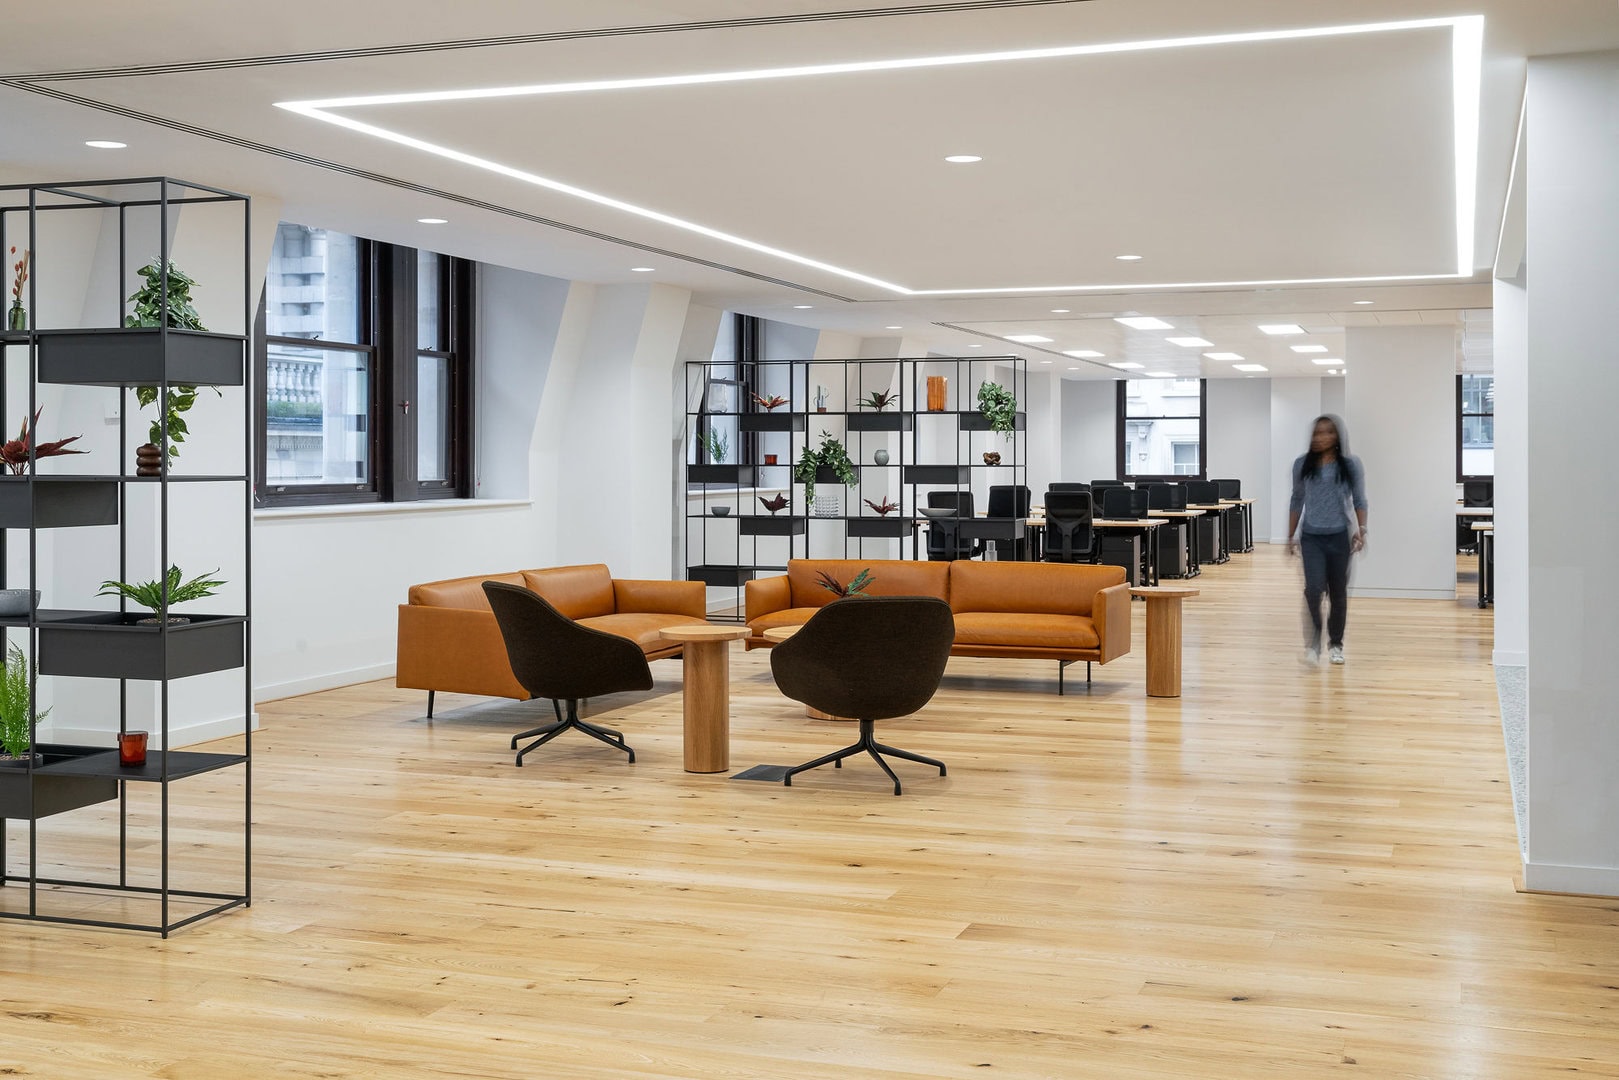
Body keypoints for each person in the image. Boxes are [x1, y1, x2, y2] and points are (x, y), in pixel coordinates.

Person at [1286, 415, 1368, 666]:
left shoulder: (1350, 465)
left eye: (1328, 432)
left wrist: (1362, 529)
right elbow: (1297, 499)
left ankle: (1336, 644)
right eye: (1317, 433)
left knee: (1338, 594)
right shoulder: (1302, 464)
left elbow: (1359, 499)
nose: (1321, 437)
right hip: (1311, 537)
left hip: (1339, 537)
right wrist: (1290, 536)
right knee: (1313, 590)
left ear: (1336, 437)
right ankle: (1313, 644)